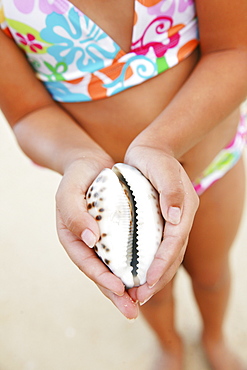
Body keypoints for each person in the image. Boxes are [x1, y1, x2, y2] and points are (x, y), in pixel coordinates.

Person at [0, 1, 247, 369]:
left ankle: (214, 336)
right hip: (116, 209)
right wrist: (77, 159)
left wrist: (158, 144)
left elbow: (236, 50)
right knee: (148, 292)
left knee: (212, 273)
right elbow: (27, 112)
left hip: (213, 166)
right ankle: (170, 346)